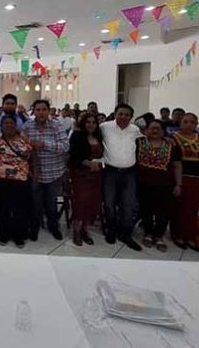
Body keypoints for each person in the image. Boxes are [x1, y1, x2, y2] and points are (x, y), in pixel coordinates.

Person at [23, 99, 69, 241]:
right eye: (38, 110)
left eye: (44, 109)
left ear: (48, 111)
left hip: (54, 172)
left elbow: (65, 146)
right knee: (35, 203)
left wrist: (44, 144)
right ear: (34, 111)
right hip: (35, 173)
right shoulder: (27, 126)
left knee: (51, 203)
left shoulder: (56, 125)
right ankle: (34, 227)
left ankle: (53, 226)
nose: (41, 112)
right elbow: (22, 144)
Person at [100, 103, 143, 250]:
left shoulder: (135, 130)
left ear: (131, 117)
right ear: (115, 114)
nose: (124, 117)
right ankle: (111, 230)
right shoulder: (104, 127)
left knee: (128, 205)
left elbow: (145, 140)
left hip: (129, 172)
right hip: (110, 171)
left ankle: (126, 234)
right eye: (121, 114)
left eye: (127, 115)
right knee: (109, 203)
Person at [135, 120, 182, 252]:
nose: (155, 131)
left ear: (163, 131)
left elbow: (177, 165)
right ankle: (148, 233)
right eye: (152, 128)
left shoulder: (172, 145)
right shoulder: (138, 143)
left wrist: (178, 184)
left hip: (165, 184)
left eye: (158, 128)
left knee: (163, 211)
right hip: (143, 184)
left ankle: (159, 236)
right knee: (146, 210)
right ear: (146, 130)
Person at [0, 115, 33, 248]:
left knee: (20, 208)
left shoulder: (23, 138)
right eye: (6, 123)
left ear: (16, 125)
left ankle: (19, 235)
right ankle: (3, 234)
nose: (9, 125)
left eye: (11, 123)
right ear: (2, 125)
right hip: (2, 178)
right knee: (3, 207)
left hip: (20, 178)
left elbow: (30, 154)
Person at [171, 113, 199, 252]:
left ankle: (191, 235)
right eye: (185, 121)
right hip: (182, 177)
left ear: (196, 124)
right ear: (180, 123)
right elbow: (174, 162)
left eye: (192, 122)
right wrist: (178, 183)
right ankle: (178, 235)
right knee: (180, 208)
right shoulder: (173, 139)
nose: (189, 125)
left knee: (194, 209)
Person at [69, 113, 104, 246]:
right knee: (81, 202)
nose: (91, 125)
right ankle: (76, 230)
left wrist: (100, 163)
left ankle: (85, 229)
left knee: (92, 202)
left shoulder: (98, 136)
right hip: (81, 174)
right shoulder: (77, 135)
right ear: (83, 123)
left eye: (93, 122)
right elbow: (74, 155)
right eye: (88, 122)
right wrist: (88, 164)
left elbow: (102, 154)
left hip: (96, 175)